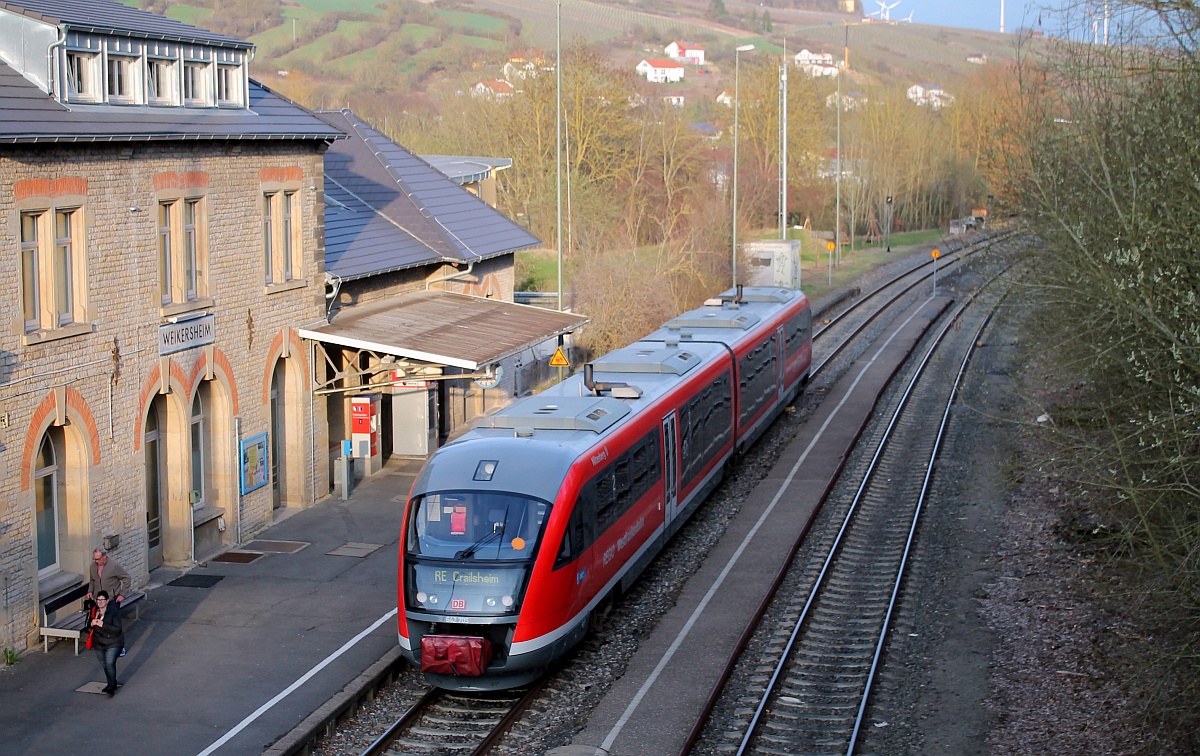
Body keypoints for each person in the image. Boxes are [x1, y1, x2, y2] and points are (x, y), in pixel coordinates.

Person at [89, 591, 125, 696]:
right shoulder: (94, 610)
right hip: (99, 642)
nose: (99, 602)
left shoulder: (113, 612)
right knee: (104, 664)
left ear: (107, 601)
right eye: (98, 600)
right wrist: (91, 624)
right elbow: (88, 626)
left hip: (113, 642)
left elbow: (117, 629)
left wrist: (102, 624)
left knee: (109, 663)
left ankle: (111, 686)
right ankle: (111, 683)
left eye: (102, 600)